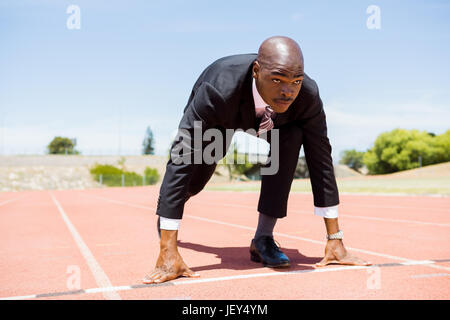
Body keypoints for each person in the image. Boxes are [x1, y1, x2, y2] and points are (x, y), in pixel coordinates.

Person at [143, 36, 371, 284]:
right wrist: (168, 249)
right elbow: (182, 155)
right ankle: (169, 223)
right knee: (197, 173)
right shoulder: (217, 89)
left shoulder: (306, 96)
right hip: (224, 116)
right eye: (277, 80)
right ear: (256, 71)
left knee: (292, 137)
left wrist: (334, 238)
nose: (287, 91)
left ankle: (263, 238)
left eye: (295, 81)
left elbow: (321, 160)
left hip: (278, 123)